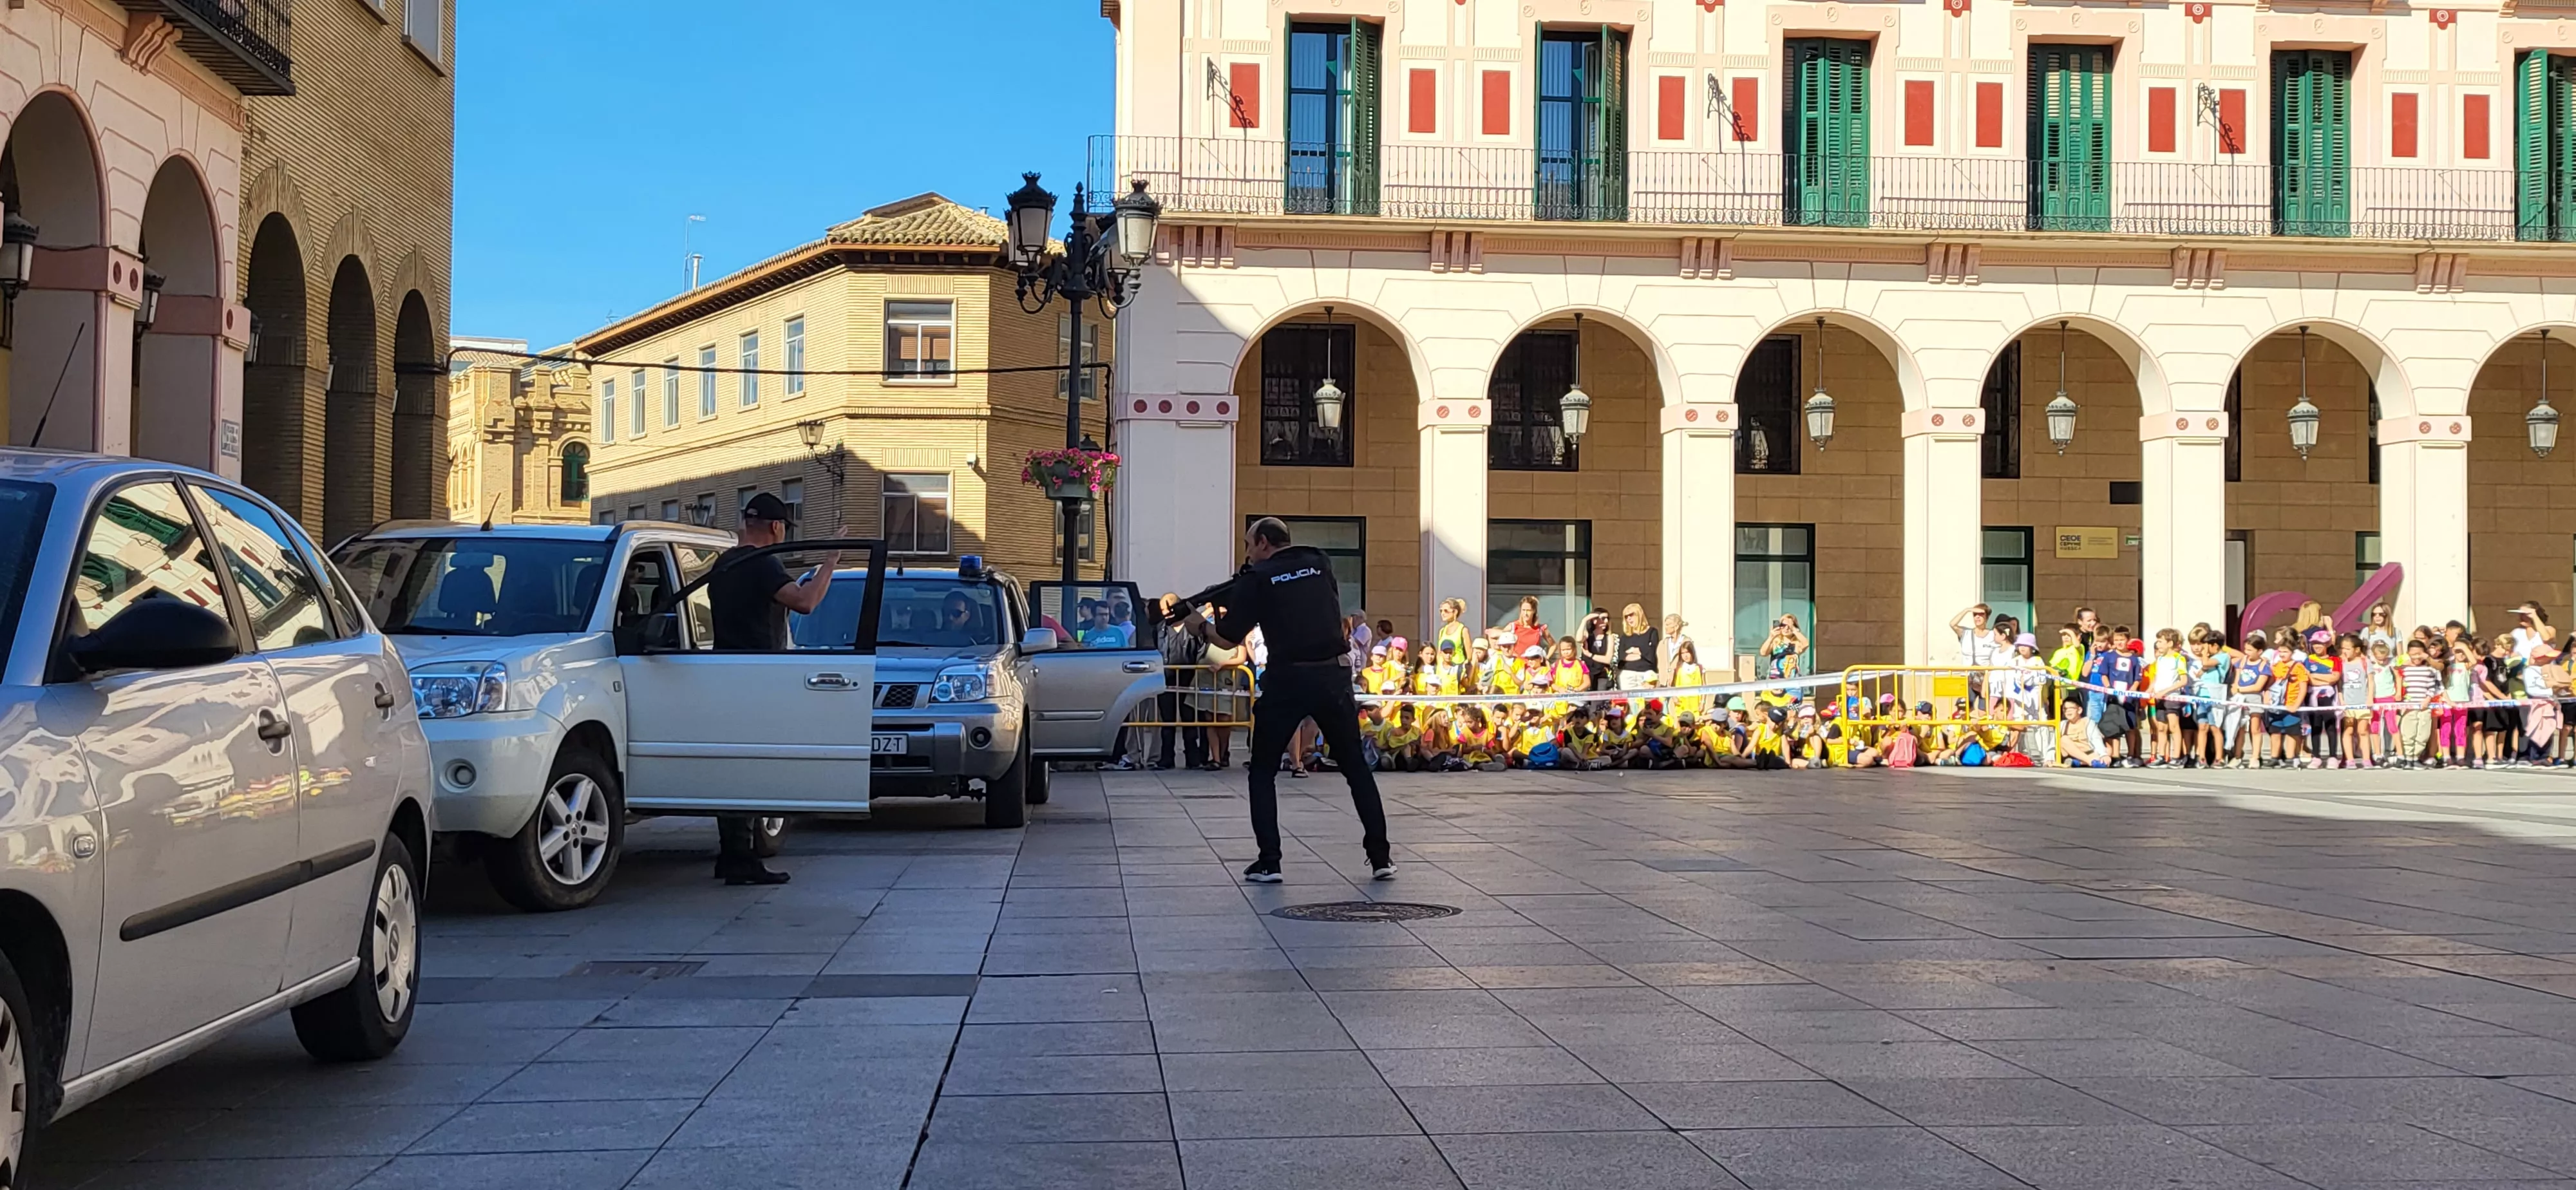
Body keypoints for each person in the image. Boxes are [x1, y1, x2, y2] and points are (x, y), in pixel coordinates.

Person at [1163, 518, 1394, 883]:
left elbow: (1227, 639)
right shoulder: (1319, 562)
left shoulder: (1258, 578)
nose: (1247, 553)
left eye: (1249, 544)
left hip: (1288, 678)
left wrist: (1198, 624)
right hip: (1333, 676)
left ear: (1264, 542)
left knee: (1263, 770)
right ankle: (1381, 857)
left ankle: (1269, 862)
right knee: (1355, 768)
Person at [705, 492, 842, 886]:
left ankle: (732, 853)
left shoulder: (724, 564)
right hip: (757, 677)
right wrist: (830, 563)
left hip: (724, 674)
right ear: (777, 527)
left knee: (733, 766)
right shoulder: (762, 564)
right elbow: (805, 602)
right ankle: (741, 859)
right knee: (752, 767)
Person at [1613, 603, 1660, 692]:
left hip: (1647, 674)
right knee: (1630, 700)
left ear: (1639, 615)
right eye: (1626, 617)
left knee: (1648, 700)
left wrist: (1637, 651)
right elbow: (1622, 656)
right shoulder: (1625, 637)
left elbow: (1652, 654)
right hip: (1628, 675)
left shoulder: (1652, 632)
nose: (1629, 619)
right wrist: (1642, 654)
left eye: (1631, 615)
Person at [1501, 596, 1551, 661]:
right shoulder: (1514, 626)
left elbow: (1553, 645)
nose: (1526, 613)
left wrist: (1546, 658)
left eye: (1529, 610)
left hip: (1532, 665)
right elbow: (1500, 641)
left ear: (1534, 611)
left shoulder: (1540, 629)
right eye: (1523, 610)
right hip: (1516, 664)